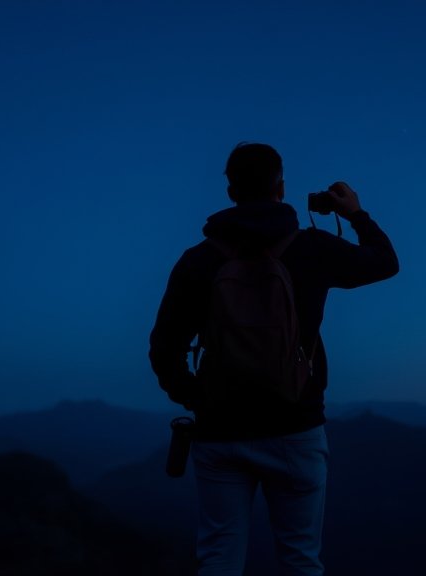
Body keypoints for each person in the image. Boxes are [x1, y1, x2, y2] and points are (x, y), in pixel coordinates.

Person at [149, 142, 398, 575]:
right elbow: (385, 263)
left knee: (218, 559)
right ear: (281, 187)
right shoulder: (312, 248)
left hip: (220, 429)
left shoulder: (199, 260)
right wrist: (356, 213)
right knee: (300, 559)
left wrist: (196, 398)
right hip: (296, 427)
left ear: (231, 191)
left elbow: (164, 348)